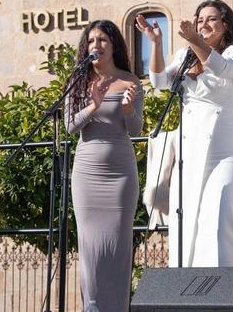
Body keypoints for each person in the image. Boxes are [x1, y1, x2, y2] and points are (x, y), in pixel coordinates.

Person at [136, 0, 233, 267]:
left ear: (225, 24)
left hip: (226, 149)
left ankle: (224, 293)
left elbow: (223, 69)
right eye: (200, 20)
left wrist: (195, 41)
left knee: (220, 218)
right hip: (191, 151)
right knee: (187, 223)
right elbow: (159, 82)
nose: (204, 24)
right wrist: (155, 43)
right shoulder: (184, 55)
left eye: (211, 19)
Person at [66, 20, 143, 312]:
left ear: (113, 46)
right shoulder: (78, 80)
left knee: (118, 250)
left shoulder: (131, 81)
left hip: (120, 175)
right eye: (91, 40)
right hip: (87, 175)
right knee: (90, 252)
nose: (96, 45)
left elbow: (136, 130)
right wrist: (93, 105)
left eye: (102, 40)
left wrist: (127, 110)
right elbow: (70, 125)